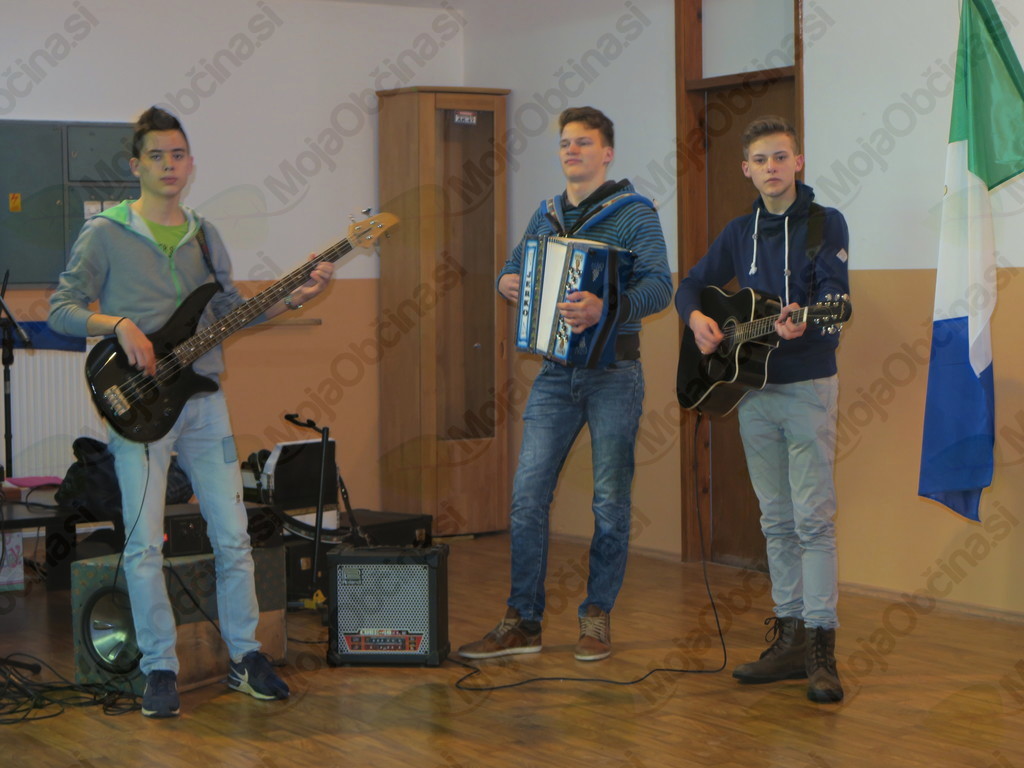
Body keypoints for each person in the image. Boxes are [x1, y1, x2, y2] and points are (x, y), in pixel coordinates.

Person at [48, 106, 333, 718]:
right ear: (136, 165)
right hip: (140, 408)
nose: (169, 165)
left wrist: (293, 297)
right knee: (143, 544)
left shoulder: (205, 234)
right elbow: (61, 309)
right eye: (156, 156)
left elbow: (229, 311)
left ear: (191, 164)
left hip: (205, 402)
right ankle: (159, 668)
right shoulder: (106, 234)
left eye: (178, 155)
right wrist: (117, 324)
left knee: (233, 536)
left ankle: (246, 657)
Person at [458, 106, 672, 662]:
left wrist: (608, 307)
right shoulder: (547, 213)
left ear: (608, 153)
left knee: (610, 502)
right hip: (555, 372)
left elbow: (660, 287)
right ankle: (522, 621)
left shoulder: (635, 213)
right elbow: (514, 265)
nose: (571, 151)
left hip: (614, 374)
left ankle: (596, 616)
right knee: (527, 497)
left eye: (583, 143)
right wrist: (505, 281)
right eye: (564, 143)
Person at [675, 115, 850, 703]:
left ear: (798, 162)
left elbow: (836, 297)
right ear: (746, 169)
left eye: (781, 157)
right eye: (760, 160)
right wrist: (698, 320)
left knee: (813, 519)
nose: (771, 167)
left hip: (806, 386)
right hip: (752, 391)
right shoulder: (737, 231)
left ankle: (822, 648)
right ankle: (790, 639)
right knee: (775, 519)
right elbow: (690, 285)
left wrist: (810, 321)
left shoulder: (825, 222)